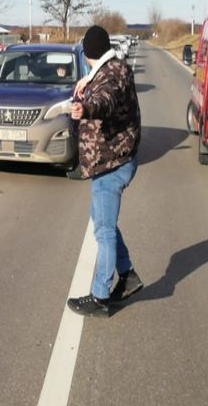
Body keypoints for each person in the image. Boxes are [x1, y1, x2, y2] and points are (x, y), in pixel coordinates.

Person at [67, 25, 143, 318]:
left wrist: (86, 108)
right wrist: (87, 83)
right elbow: (106, 87)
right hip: (114, 159)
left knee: (104, 230)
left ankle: (100, 296)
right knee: (101, 220)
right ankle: (128, 274)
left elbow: (106, 99)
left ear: (88, 53)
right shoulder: (114, 68)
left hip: (113, 162)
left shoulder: (111, 76)